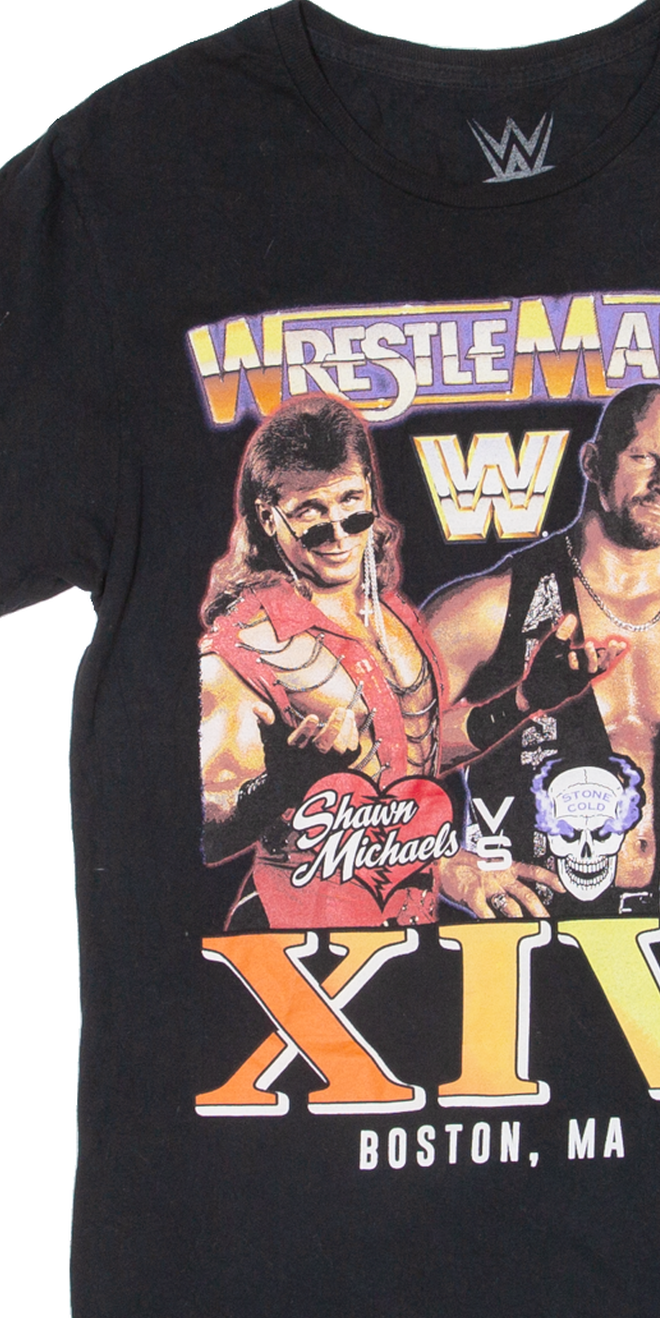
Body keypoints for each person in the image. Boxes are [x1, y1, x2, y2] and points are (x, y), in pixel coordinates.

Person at [424, 384, 660, 918]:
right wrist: (442, 863)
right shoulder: (489, 608)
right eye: (644, 458)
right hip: (537, 931)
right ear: (592, 462)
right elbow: (373, 755)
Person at [199, 394, 448, 928]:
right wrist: (285, 783)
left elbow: (416, 748)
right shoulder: (238, 650)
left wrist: (524, 701)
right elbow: (206, 827)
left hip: (408, 925)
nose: (338, 532)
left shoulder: (394, 615)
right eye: (310, 512)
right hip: (295, 937)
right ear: (268, 519)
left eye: (351, 502)